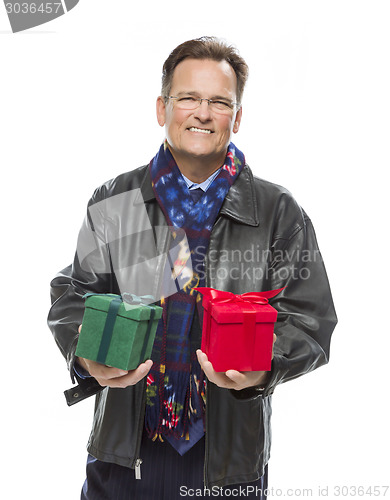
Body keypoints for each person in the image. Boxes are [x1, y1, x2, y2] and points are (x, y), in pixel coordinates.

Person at [48, 36, 337, 500]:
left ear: (236, 118)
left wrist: (263, 367)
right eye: (188, 98)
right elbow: (73, 295)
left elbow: (310, 319)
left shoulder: (278, 211)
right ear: (162, 108)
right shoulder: (117, 200)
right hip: (123, 454)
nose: (202, 113)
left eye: (219, 102)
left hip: (228, 463)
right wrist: (88, 355)